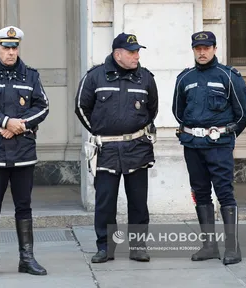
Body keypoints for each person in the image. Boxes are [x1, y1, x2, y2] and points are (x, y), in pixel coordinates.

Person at [0, 26, 49, 277]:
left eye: (14, 47)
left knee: (23, 206)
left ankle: (27, 258)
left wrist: (19, 126)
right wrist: (6, 122)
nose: (11, 52)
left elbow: (43, 107)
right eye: (6, 47)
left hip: (23, 149)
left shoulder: (31, 76)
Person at [75, 32, 158, 263]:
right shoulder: (95, 77)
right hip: (107, 150)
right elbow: (81, 107)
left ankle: (138, 247)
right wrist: (100, 129)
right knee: (105, 202)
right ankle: (106, 247)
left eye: (138, 51)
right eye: (132, 52)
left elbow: (152, 110)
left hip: (137, 148)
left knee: (138, 202)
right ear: (117, 54)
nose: (136, 56)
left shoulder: (145, 78)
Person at [172, 31, 246, 265]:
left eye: (206, 47)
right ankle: (209, 246)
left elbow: (245, 112)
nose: (202, 52)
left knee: (225, 193)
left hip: (219, 146)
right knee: (200, 192)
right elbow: (178, 112)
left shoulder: (229, 76)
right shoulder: (184, 79)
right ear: (193, 50)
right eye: (198, 48)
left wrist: (227, 135)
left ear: (215, 49)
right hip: (193, 145)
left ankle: (232, 248)